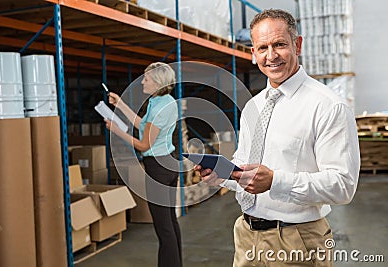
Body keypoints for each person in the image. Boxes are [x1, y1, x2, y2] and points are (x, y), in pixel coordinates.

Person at [196, 9, 360, 267]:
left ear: (298, 44)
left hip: (297, 241)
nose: (270, 56)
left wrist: (276, 181)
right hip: (246, 236)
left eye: (279, 44)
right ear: (253, 53)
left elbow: (343, 186)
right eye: (262, 48)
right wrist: (224, 177)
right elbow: (245, 169)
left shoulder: (328, 106)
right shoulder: (253, 106)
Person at [106, 62, 182, 267]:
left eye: (146, 78)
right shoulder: (163, 100)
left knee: (163, 228)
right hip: (168, 163)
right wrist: (120, 104)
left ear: (157, 82)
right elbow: (142, 125)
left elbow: (143, 144)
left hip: (158, 168)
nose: (142, 81)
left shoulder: (159, 107)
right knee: (170, 224)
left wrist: (116, 130)